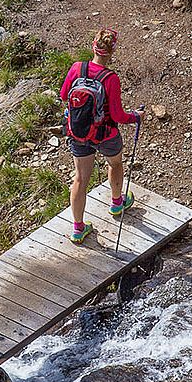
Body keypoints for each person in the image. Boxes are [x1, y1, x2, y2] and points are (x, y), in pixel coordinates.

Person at [59, 28, 144, 244]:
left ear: (93, 46)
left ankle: (78, 228)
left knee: (80, 178)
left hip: (78, 132)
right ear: (112, 52)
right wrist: (135, 117)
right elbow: (117, 115)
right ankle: (117, 202)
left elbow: (63, 95)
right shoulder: (110, 78)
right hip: (105, 134)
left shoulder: (77, 67)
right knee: (115, 163)